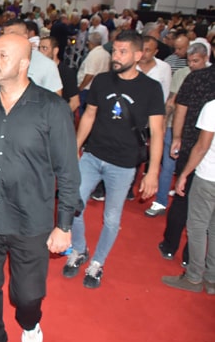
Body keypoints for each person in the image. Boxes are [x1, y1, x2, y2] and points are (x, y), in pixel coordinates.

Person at [0, 34, 79, 342]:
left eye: (2, 55)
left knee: (26, 295)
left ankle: (30, 322)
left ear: (25, 63)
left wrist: (64, 225)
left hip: (31, 220)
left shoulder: (52, 108)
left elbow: (68, 171)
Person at [64, 31, 165, 289]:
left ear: (138, 55)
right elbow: (89, 115)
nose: (116, 57)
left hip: (123, 165)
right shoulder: (101, 81)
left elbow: (157, 132)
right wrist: (75, 148)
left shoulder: (151, 89)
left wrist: (152, 172)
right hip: (92, 156)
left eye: (122, 52)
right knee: (72, 204)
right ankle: (79, 250)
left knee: (111, 218)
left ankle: (97, 263)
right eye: (114, 51)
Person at [159, 56, 215, 264]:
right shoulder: (196, 78)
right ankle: (190, 258)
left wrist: (177, 137)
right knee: (208, 213)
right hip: (199, 149)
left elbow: (180, 109)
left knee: (182, 197)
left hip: (191, 145)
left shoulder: (196, 77)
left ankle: (169, 246)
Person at [147, 42, 211, 217]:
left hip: (203, 134)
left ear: (206, 58)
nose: (192, 65)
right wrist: (169, 128)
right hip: (176, 128)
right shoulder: (182, 74)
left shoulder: (210, 76)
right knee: (168, 167)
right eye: (189, 61)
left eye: (196, 61)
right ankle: (160, 201)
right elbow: (173, 103)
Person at [161, 99, 215, 294]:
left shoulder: (212, 107)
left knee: (197, 227)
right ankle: (212, 278)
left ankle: (194, 277)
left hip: (208, 177)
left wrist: (184, 174)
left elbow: (202, 146)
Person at [39, 36, 79, 112]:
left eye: (44, 48)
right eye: (39, 48)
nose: (40, 52)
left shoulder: (66, 72)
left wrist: (60, 116)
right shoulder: (40, 69)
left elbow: (75, 102)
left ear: (55, 51)